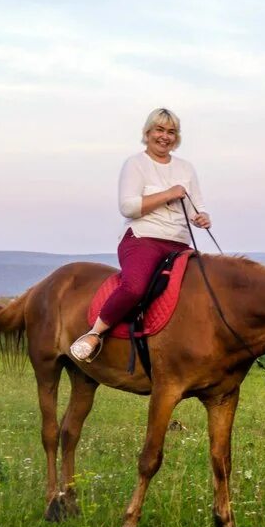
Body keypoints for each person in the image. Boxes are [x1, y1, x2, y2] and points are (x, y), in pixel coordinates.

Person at [68, 108, 210, 362]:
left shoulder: (186, 168)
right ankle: (95, 333)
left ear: (176, 137)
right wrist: (168, 193)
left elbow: (194, 206)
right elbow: (128, 207)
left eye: (171, 132)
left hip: (179, 243)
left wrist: (201, 217)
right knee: (135, 288)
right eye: (159, 130)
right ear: (148, 132)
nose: (164, 136)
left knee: (204, 287)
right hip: (143, 238)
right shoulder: (136, 164)